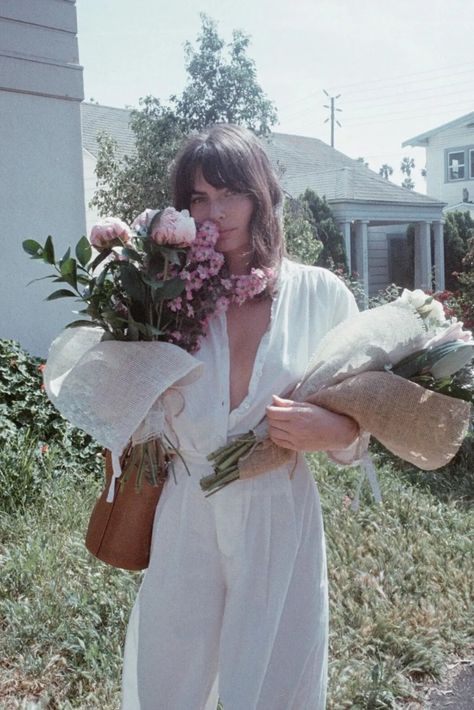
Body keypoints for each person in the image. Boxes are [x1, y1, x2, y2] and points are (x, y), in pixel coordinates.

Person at [121, 124, 362, 710]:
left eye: (230, 192)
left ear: (262, 193)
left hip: (277, 513)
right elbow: (131, 409)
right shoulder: (165, 294)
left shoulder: (320, 294)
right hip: (185, 510)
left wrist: (336, 430)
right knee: (169, 680)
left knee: (275, 683)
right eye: (198, 198)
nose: (215, 212)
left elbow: (361, 421)